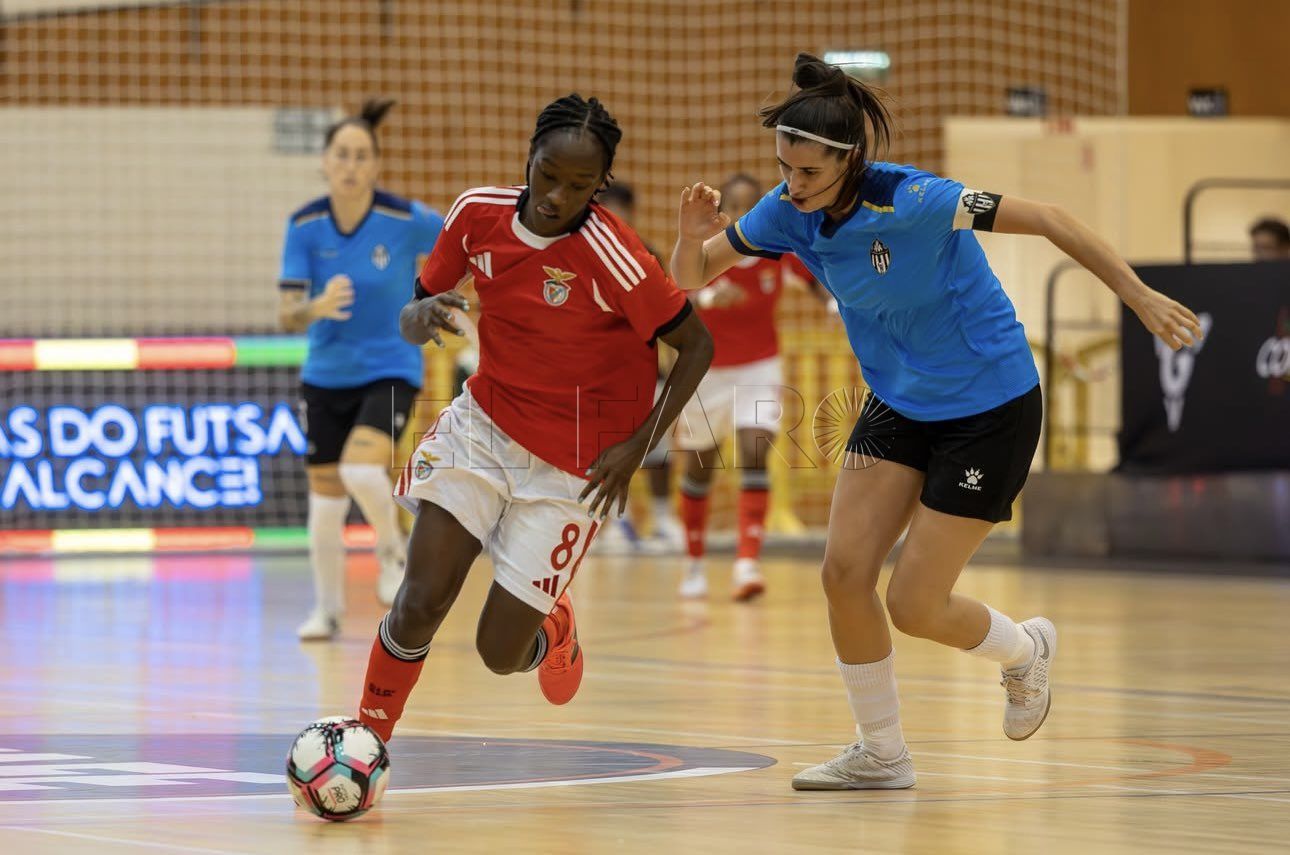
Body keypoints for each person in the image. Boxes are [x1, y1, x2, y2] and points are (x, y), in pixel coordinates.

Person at [672, 54, 1202, 790]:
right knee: (843, 572)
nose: (792, 187)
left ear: (850, 160)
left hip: (989, 405)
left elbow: (1048, 218)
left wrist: (1137, 295)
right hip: (899, 401)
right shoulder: (784, 214)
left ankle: (1023, 652)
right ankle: (882, 752)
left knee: (915, 603)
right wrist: (691, 233)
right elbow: (690, 275)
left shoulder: (918, 198)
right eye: (782, 169)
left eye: (806, 173)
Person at [355, 94, 713, 744]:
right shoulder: (475, 214)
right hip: (484, 428)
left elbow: (696, 345)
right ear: (530, 155)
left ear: (600, 186)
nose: (556, 195)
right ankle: (365, 745)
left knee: (498, 652)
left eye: (579, 185)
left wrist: (638, 446)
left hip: (577, 466)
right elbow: (414, 313)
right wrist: (419, 316)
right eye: (548, 173)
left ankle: (553, 628)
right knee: (419, 601)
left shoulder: (617, 253)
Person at [278, 98, 444, 642]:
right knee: (325, 504)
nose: (350, 165)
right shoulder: (303, 225)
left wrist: (444, 299)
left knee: (361, 472)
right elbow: (286, 315)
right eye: (341, 154)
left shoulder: (404, 220)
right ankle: (326, 612)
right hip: (326, 374)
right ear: (324, 162)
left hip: (392, 366)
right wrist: (315, 308)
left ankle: (393, 552)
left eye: (361, 155)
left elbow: (462, 243)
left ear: (376, 165)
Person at [673, 172, 817, 602]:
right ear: (722, 214)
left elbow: (816, 282)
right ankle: (694, 561)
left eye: (751, 204)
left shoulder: (777, 254)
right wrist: (713, 299)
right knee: (699, 467)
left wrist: (835, 305)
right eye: (734, 205)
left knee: (756, 450)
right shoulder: (706, 250)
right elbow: (673, 292)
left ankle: (747, 563)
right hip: (706, 372)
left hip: (759, 367)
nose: (742, 212)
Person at [594, 182, 688, 555]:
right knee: (607, 448)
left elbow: (665, 311)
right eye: (607, 211)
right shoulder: (584, 253)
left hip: (646, 366)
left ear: (632, 215)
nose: (613, 219)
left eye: (620, 212)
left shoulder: (646, 254)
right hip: (601, 372)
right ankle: (616, 523)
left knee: (657, 448)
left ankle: (664, 519)